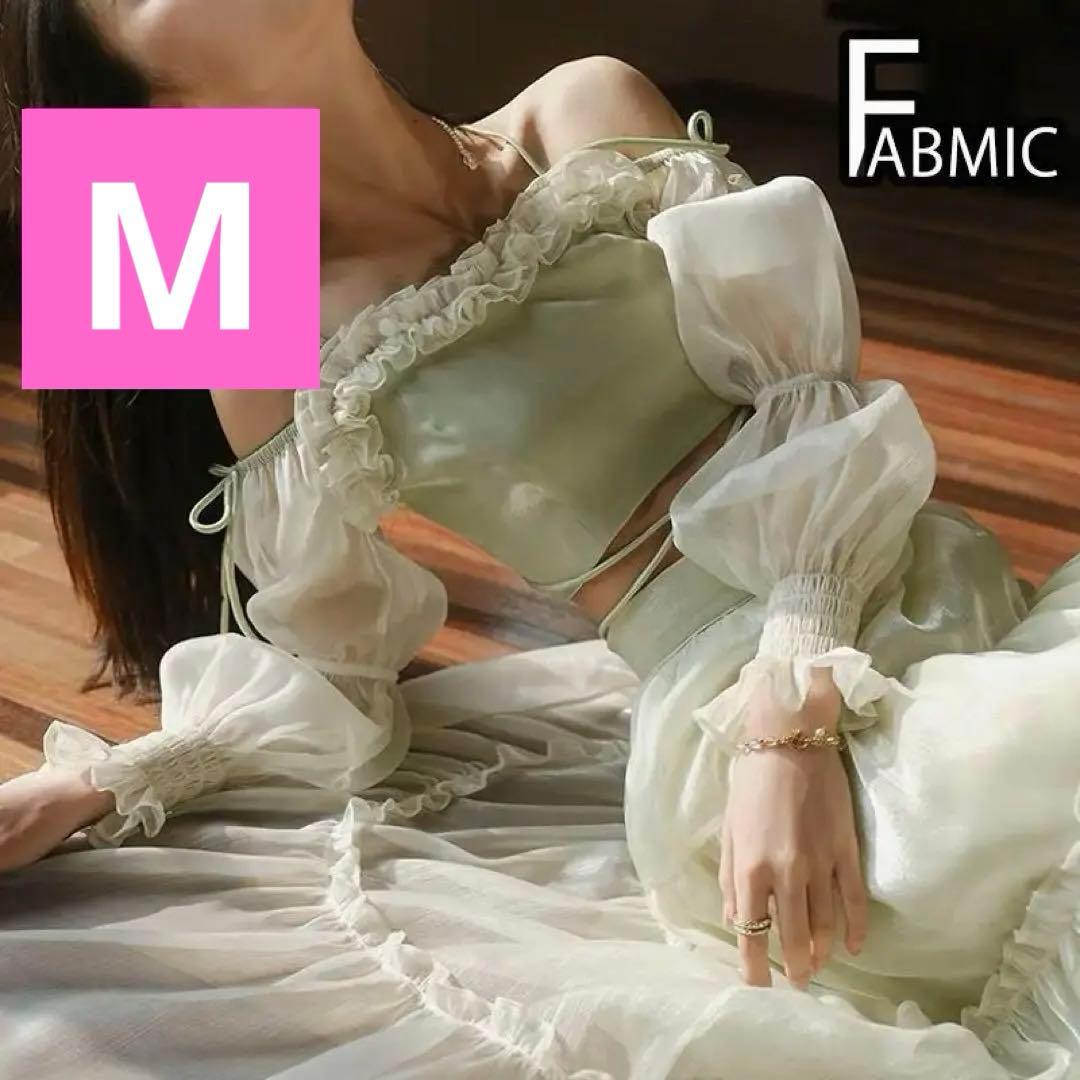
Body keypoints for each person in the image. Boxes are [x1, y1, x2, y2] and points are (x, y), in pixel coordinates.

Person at [0, 1, 1077, 1077]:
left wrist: (796, 702)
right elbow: (330, 674)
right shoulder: (277, 342)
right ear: (150, 100)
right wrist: (103, 782)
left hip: (925, 588)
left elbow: (809, 402)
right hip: (730, 724)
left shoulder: (585, 108)